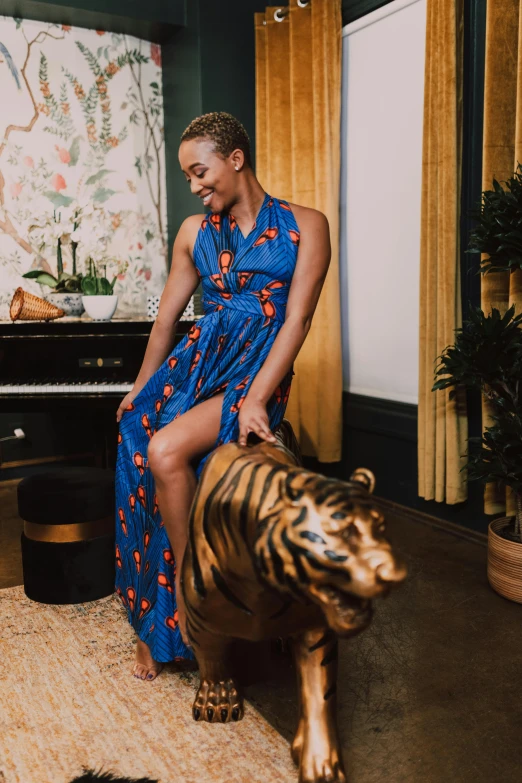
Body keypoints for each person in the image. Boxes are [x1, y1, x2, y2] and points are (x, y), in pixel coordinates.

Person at [114, 111, 331, 681]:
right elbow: (167, 320)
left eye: (200, 171)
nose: (194, 185)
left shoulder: (307, 225)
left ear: (235, 159)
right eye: (187, 176)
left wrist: (259, 397)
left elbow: (297, 321)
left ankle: (195, 602)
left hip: (253, 377)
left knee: (168, 453)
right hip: (195, 367)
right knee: (142, 447)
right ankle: (152, 621)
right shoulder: (194, 232)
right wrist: (141, 385)